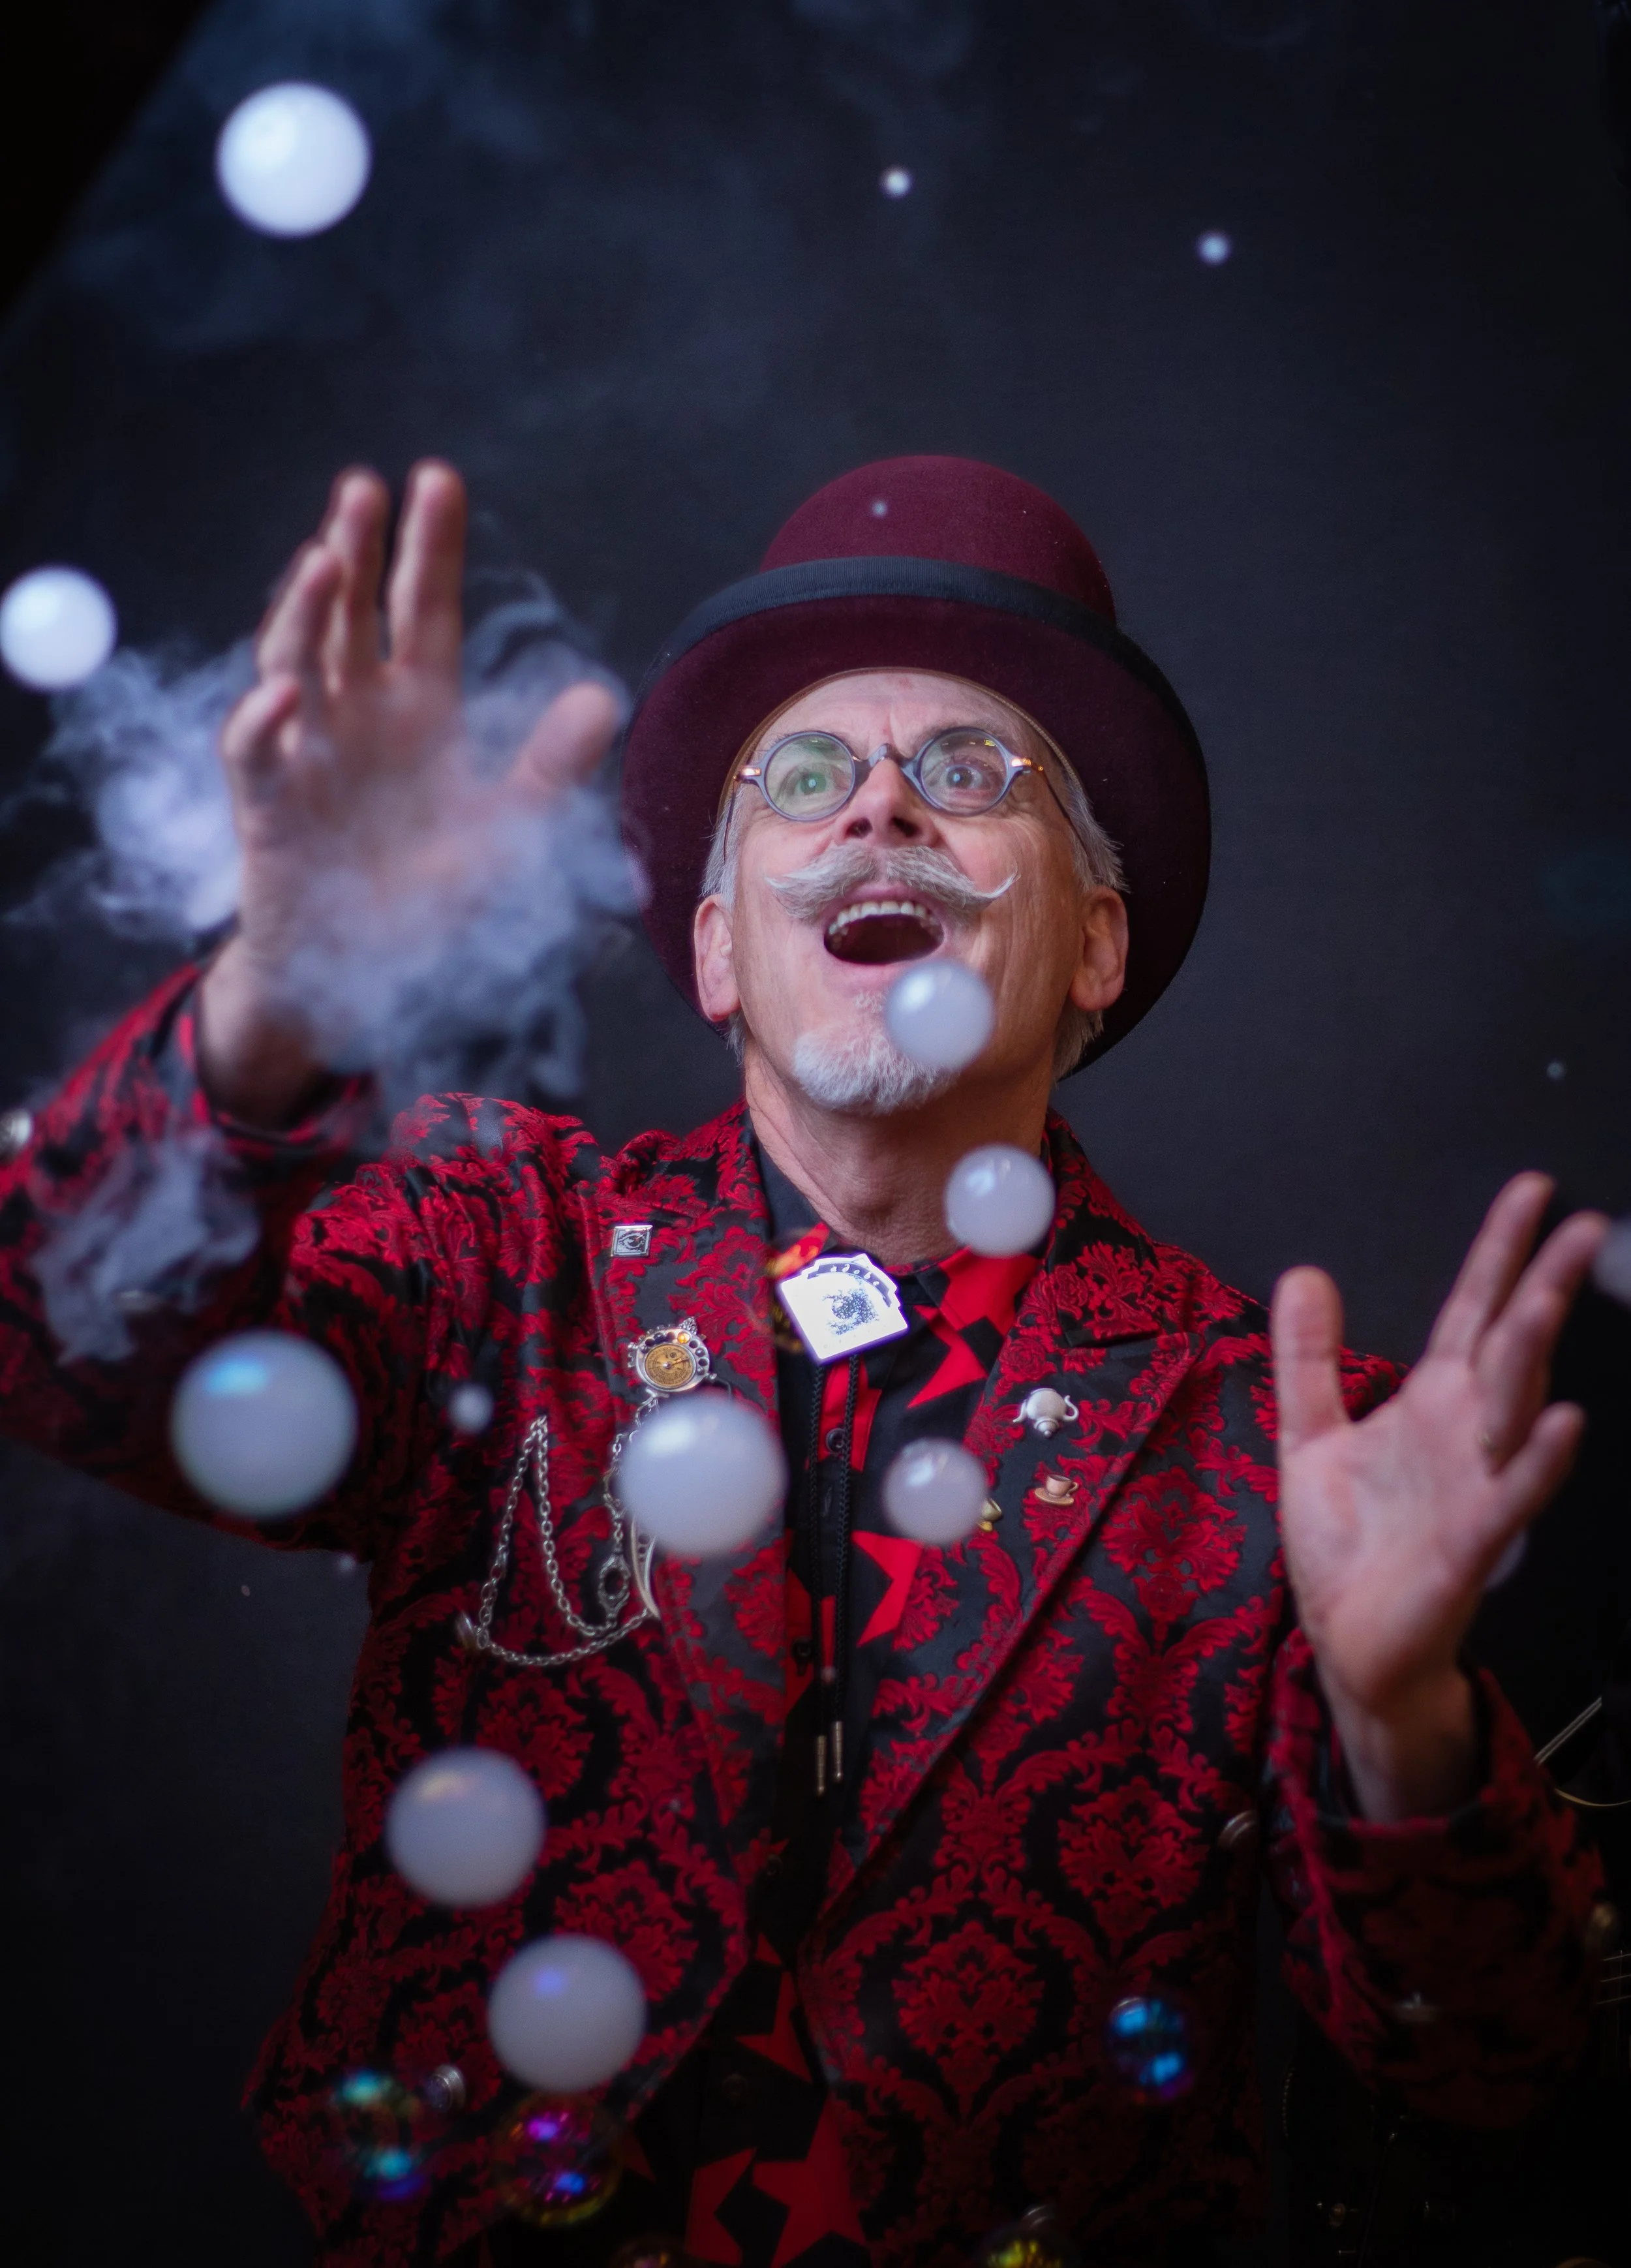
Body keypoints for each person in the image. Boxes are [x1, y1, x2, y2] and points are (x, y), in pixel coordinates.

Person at [0, 454, 1612, 2268]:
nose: (881, 809)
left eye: (971, 771)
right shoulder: (494, 1245)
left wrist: (1402, 1727)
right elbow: (62, 1347)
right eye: (804, 775)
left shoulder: (1286, 1445)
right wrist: (281, 989)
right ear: (714, 947)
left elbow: (1497, 2068)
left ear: (1094, 944)